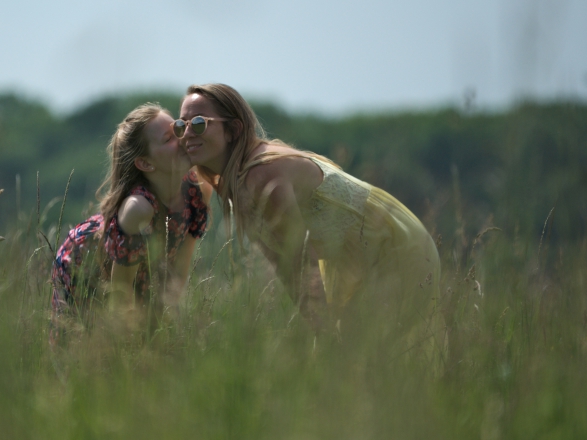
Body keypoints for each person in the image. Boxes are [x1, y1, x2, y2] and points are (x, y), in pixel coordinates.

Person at [176, 83, 442, 356]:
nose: (186, 133)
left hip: (395, 248)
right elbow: (283, 262)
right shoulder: (237, 181)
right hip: (366, 255)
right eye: (179, 125)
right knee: (346, 361)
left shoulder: (261, 175)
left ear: (233, 129)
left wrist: (323, 334)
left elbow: (301, 261)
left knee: (352, 360)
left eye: (198, 124)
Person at [51, 103, 211, 330]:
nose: (183, 137)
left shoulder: (198, 191)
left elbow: (176, 280)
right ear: (145, 163)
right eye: (169, 139)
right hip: (85, 265)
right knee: (88, 340)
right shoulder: (139, 209)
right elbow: (120, 295)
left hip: (139, 274)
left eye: (179, 128)